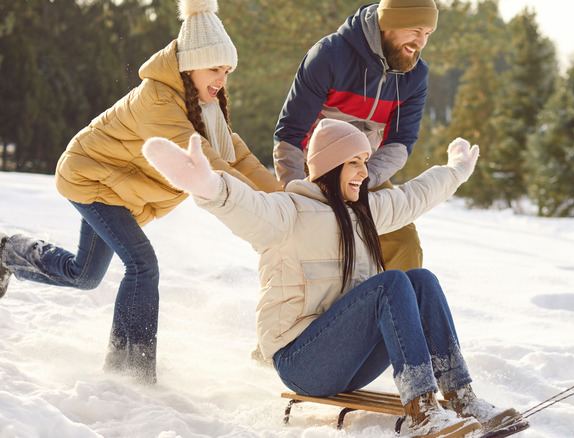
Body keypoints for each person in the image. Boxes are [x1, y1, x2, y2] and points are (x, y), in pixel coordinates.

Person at [142, 119, 529, 438]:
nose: (365, 171)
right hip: (301, 361)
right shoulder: (287, 213)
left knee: (420, 280)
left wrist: (456, 171)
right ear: (330, 167)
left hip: (347, 360)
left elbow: (413, 196)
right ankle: (423, 410)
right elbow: (247, 207)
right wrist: (209, 188)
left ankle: (462, 397)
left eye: (365, 161)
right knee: (391, 283)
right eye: (355, 163)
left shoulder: (362, 213)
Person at [0, 0, 282, 384]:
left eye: (227, 70)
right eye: (215, 68)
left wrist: (282, 197)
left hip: (117, 189)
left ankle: (7, 252)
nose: (222, 78)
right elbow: (209, 163)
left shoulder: (203, 106)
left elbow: (239, 157)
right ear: (190, 64)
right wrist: (258, 203)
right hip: (91, 179)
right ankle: (129, 369)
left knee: (84, 275)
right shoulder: (158, 101)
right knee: (142, 264)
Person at [273, 0, 439, 272]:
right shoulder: (330, 55)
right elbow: (291, 132)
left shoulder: (415, 75)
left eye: (428, 34)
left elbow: (400, 143)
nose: (421, 42)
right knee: (318, 240)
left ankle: (401, 311)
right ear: (390, 23)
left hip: (366, 169)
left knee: (404, 240)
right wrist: (295, 192)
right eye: (415, 30)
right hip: (316, 166)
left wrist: (363, 179)